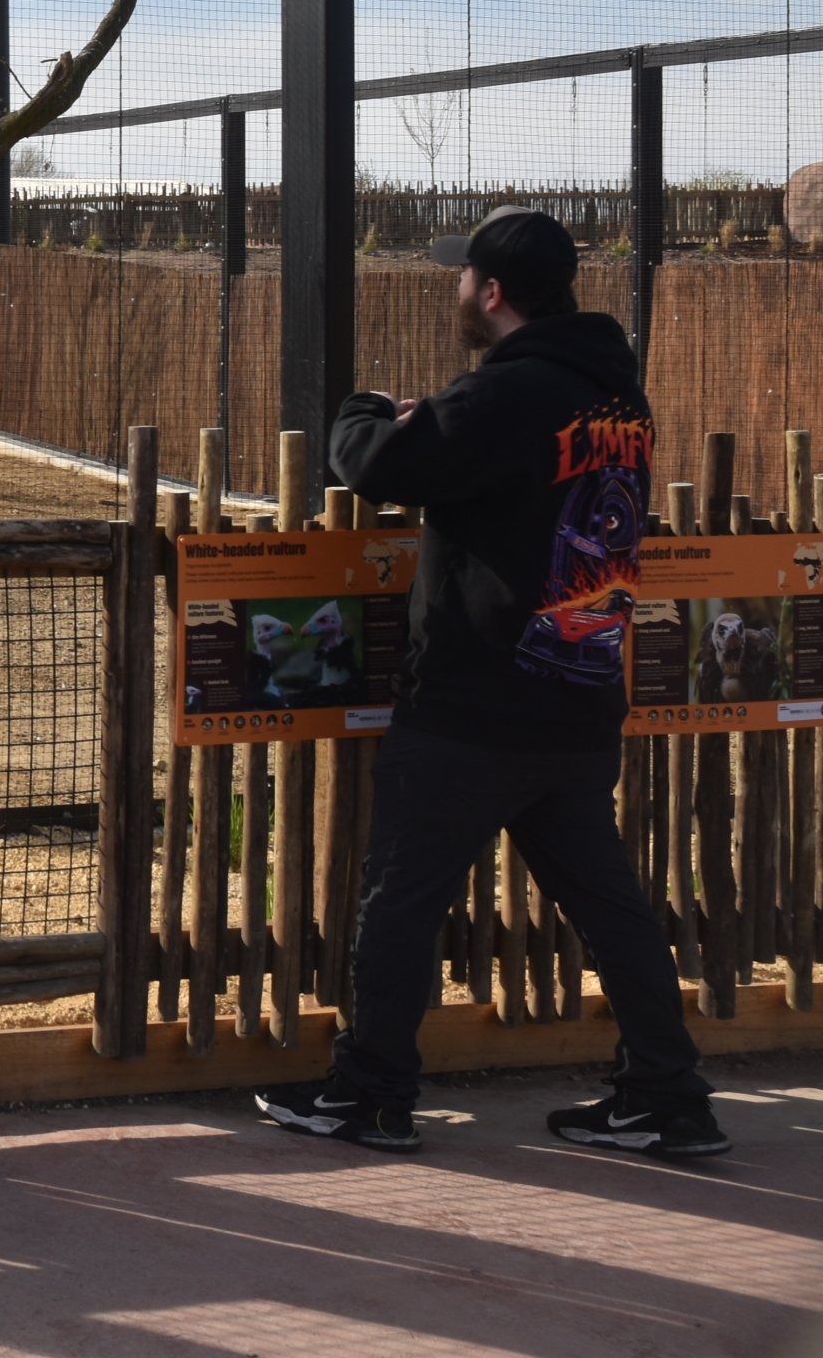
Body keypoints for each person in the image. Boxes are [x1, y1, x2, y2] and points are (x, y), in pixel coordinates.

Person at [253, 207, 721, 1158]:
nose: (457, 291)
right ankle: (668, 1094)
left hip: (475, 709)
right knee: (612, 910)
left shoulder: (509, 395)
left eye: (463, 278)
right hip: (578, 699)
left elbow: (377, 463)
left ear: (494, 293)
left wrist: (367, 408)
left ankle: (370, 1093)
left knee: (402, 899)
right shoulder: (618, 401)